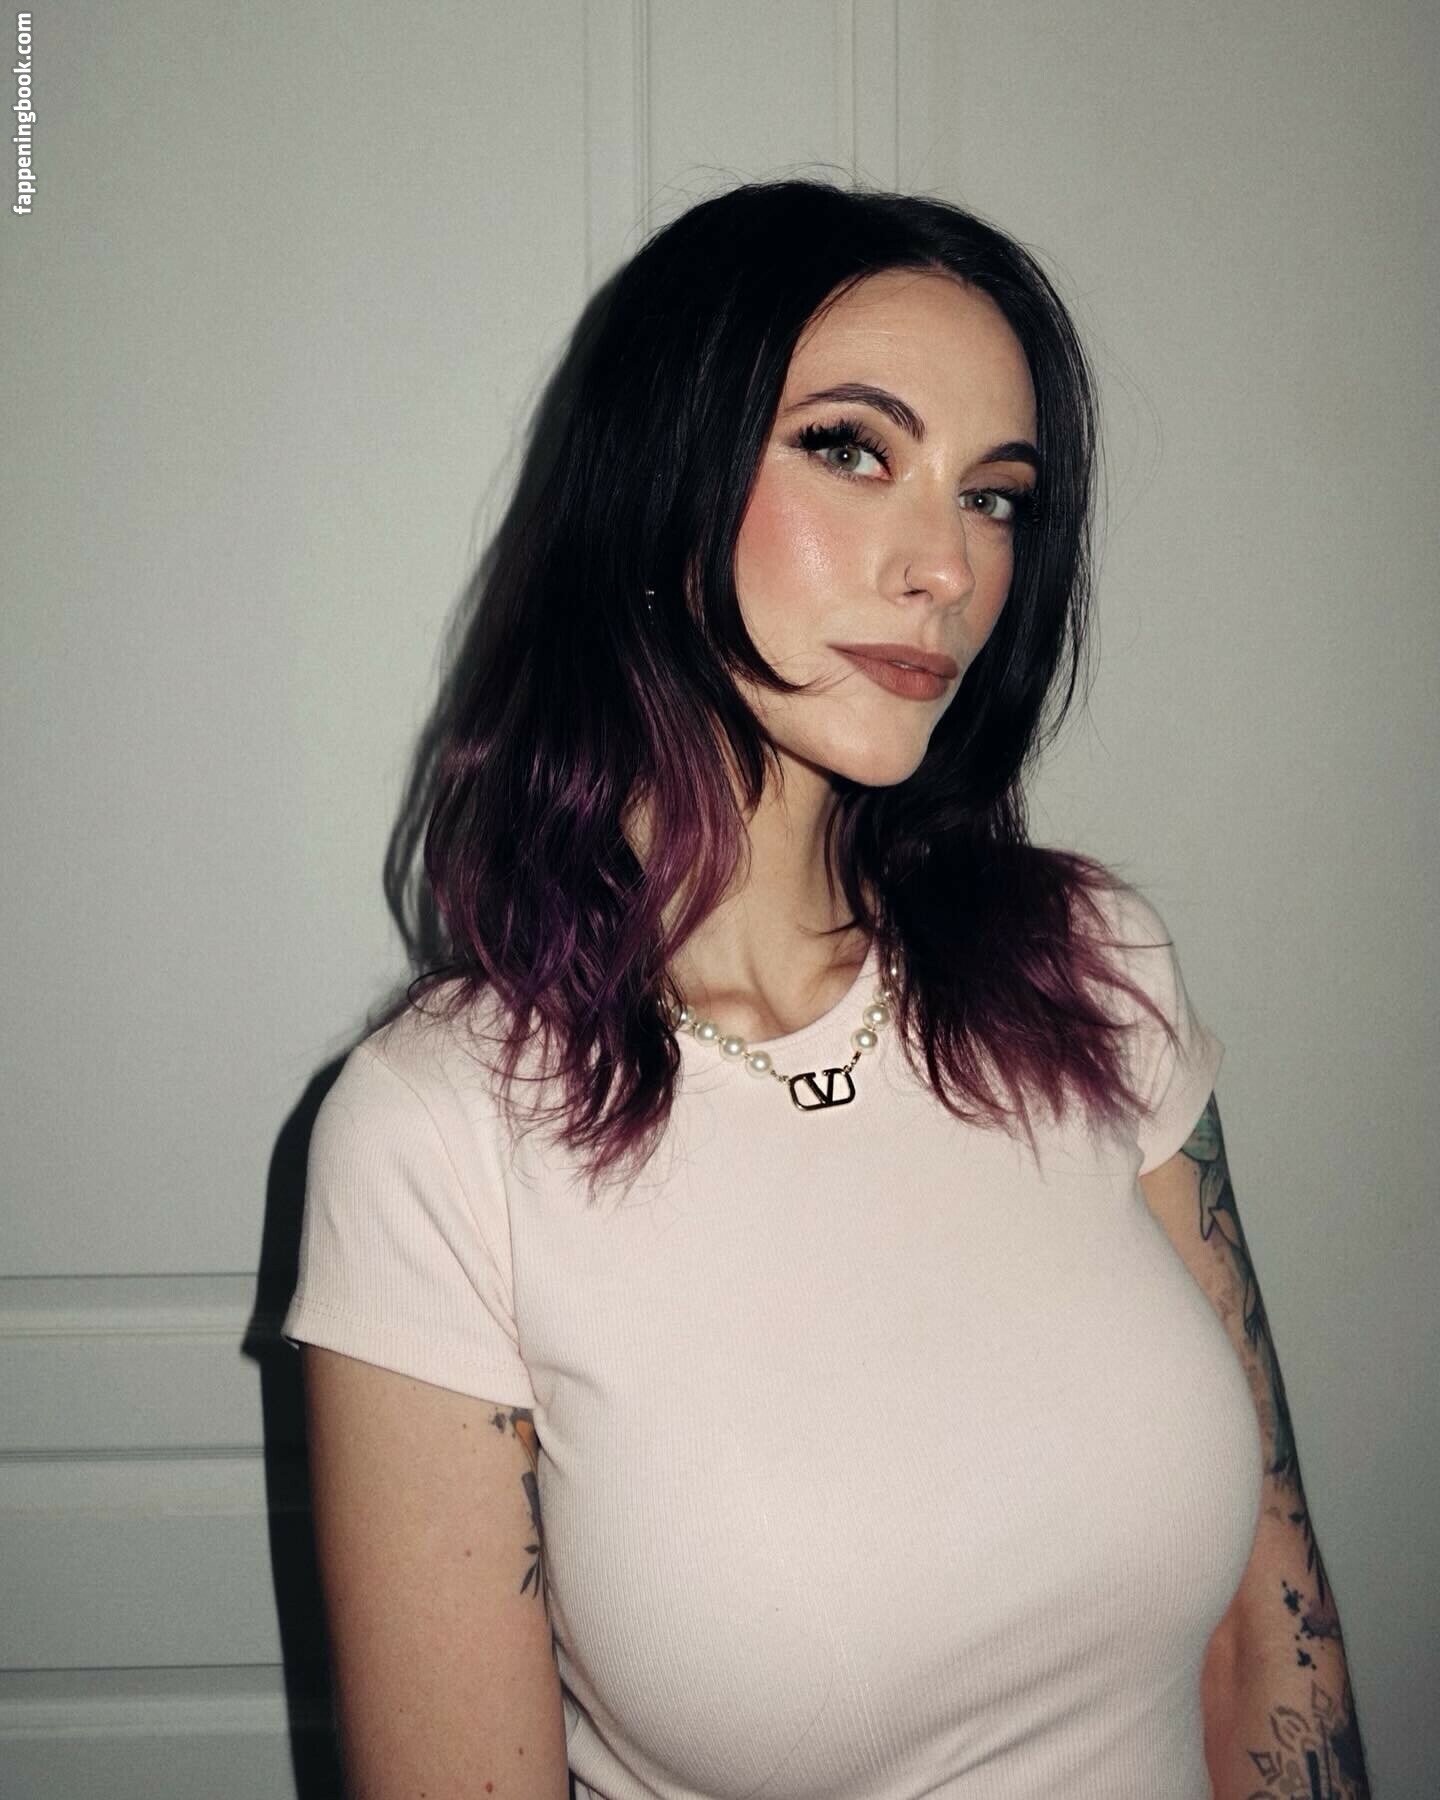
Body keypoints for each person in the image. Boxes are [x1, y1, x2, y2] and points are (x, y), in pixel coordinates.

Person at [281, 179, 1370, 1799]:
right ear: (662, 486)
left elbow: (1268, 1643)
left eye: (995, 496)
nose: (949, 567)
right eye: (854, 449)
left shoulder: (1093, 967)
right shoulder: (437, 1135)